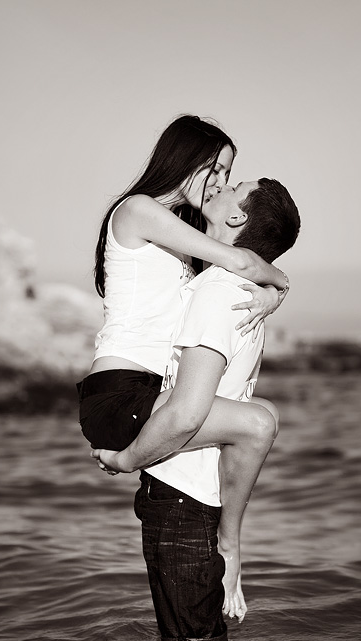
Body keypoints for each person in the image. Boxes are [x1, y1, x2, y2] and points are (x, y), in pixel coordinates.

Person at [77, 115, 288, 611]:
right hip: (119, 394)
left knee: (263, 413)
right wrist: (281, 285)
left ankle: (227, 539)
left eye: (228, 173)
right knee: (258, 423)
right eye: (217, 169)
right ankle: (230, 544)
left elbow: (238, 265)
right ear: (186, 158)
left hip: (152, 393)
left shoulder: (183, 239)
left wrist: (270, 293)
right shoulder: (138, 210)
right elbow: (242, 261)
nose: (219, 182)